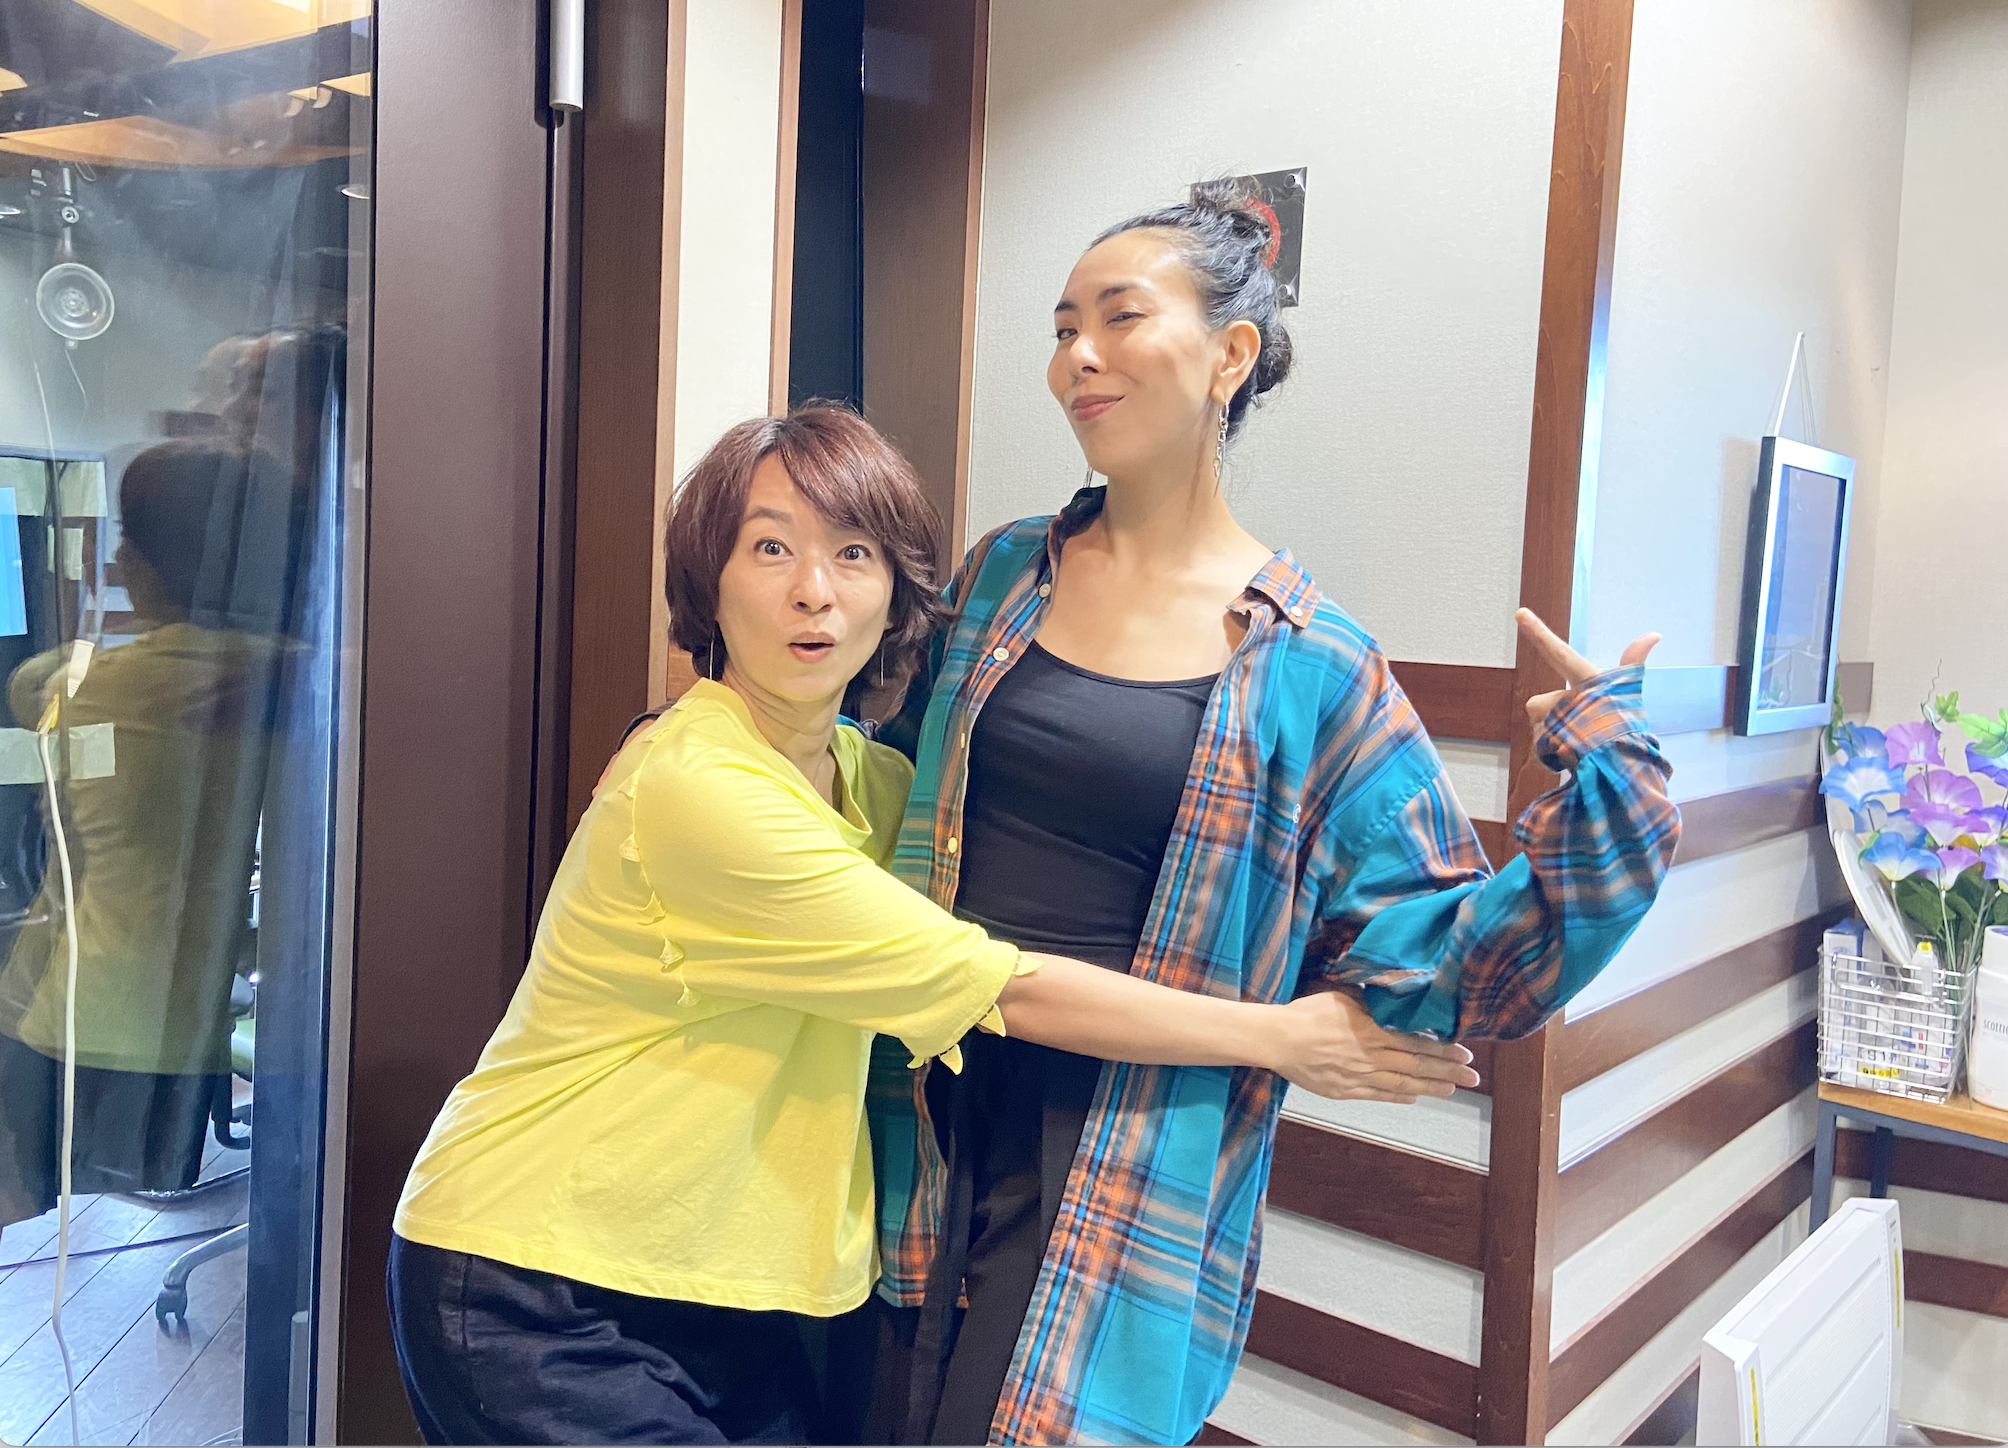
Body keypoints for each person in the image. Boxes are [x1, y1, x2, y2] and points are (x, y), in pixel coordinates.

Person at [384, 407, 1474, 1446]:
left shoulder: (875, 783)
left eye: (853, 554)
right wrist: (1282, 1037)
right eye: (770, 549)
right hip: (538, 1282)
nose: (814, 592)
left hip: (718, 1285)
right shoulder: (699, 790)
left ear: (897, 599)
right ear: (709, 583)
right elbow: (999, 982)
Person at [864, 181, 1682, 1447]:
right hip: (918, 1099)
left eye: (1119, 317)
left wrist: (1613, 780)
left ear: (1231, 353)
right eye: (1063, 327)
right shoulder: (1003, 572)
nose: (1077, 357)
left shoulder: (1312, 663)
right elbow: (881, 789)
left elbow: (1446, 962)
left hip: (1122, 1156)